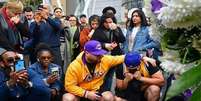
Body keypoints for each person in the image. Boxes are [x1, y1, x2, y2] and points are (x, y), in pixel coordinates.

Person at [62, 40, 156, 101]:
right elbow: (69, 86)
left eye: (100, 53)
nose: (100, 56)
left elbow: (124, 57)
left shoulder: (104, 59)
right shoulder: (74, 66)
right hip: (80, 91)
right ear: (87, 53)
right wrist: (86, 94)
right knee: (67, 98)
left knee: (109, 97)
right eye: (96, 54)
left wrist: (143, 57)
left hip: (97, 89)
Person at [91, 12, 125, 92]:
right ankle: (106, 93)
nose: (108, 24)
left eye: (110, 22)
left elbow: (122, 40)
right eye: (106, 22)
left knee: (119, 75)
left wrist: (116, 30)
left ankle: (117, 93)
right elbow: (93, 43)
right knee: (107, 76)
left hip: (116, 55)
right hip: (103, 57)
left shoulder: (117, 28)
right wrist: (104, 45)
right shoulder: (98, 30)